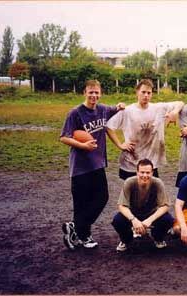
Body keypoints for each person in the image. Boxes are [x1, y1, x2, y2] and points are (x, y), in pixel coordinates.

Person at [60, 79, 125, 250]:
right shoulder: (75, 113)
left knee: (102, 198)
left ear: (100, 93)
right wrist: (83, 145)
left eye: (97, 92)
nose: (94, 95)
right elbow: (64, 137)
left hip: (97, 164)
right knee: (81, 204)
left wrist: (119, 106)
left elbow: (114, 109)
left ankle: (75, 227)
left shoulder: (103, 110)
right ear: (85, 93)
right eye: (91, 92)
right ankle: (83, 236)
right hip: (80, 167)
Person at [106, 78, 184, 180]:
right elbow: (108, 126)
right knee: (131, 194)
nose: (146, 95)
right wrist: (120, 145)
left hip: (150, 164)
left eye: (149, 93)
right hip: (131, 163)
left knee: (151, 193)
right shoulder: (127, 111)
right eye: (143, 92)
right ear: (137, 92)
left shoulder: (158, 108)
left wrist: (174, 112)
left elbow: (180, 103)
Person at [112, 158, 174, 252]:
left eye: (148, 172)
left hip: (151, 213)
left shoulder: (158, 183)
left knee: (168, 219)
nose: (145, 175)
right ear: (137, 172)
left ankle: (158, 238)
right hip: (133, 213)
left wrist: (149, 220)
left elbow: (165, 206)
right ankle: (126, 240)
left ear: (152, 173)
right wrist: (134, 220)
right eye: (142, 172)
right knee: (117, 220)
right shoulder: (129, 182)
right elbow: (122, 205)